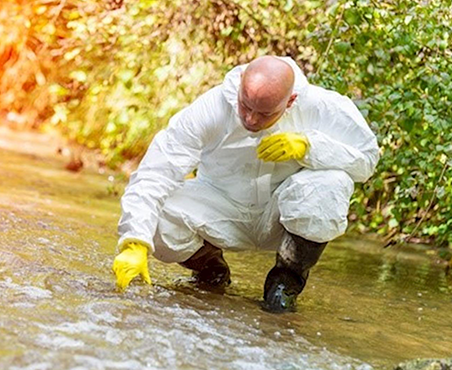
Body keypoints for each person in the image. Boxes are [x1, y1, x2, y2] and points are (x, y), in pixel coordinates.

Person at [111, 55, 379, 312]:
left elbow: (367, 161)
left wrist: (309, 147)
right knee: (157, 216)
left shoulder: (324, 107)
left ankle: (285, 283)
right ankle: (211, 271)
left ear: (290, 102)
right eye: (245, 106)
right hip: (222, 207)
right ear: (239, 86)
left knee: (332, 181)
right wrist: (135, 242)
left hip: (284, 213)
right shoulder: (212, 107)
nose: (251, 119)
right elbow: (156, 171)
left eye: (263, 114)